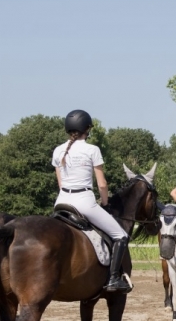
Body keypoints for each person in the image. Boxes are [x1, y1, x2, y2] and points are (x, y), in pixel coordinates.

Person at [52, 109, 132, 292]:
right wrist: (105, 204)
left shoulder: (58, 151)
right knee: (121, 236)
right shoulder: (92, 150)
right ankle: (113, 278)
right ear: (87, 129)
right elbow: (102, 184)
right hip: (84, 202)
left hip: (61, 202)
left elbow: (60, 183)